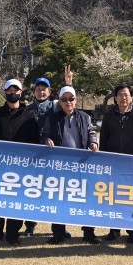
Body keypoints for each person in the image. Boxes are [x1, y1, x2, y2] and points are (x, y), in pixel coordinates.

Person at [0, 78, 41, 246]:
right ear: (5, 92)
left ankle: (13, 235)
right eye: (9, 90)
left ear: (21, 92)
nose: (12, 93)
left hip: (21, 167)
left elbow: (35, 141)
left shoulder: (30, 115)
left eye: (16, 90)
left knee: (16, 202)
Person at [40, 85, 100, 244]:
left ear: (76, 100)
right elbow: (44, 134)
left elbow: (91, 132)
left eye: (71, 99)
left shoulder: (85, 117)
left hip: (81, 165)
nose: (68, 102)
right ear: (59, 101)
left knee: (86, 199)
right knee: (58, 199)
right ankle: (58, 233)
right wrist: (47, 140)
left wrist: (93, 142)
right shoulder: (52, 118)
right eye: (64, 99)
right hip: (60, 166)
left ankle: (89, 233)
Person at [23, 65, 72, 237]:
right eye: (38, 89)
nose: (41, 92)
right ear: (34, 91)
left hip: (52, 155)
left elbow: (68, 100)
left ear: (50, 92)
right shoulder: (27, 109)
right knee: (31, 191)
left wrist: (68, 84)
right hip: (32, 156)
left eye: (44, 89)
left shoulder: (56, 106)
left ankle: (60, 228)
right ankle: (30, 225)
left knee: (56, 192)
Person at [98, 84, 133, 244]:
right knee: (113, 197)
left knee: (131, 197)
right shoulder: (108, 115)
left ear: (131, 97)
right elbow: (103, 138)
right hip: (113, 162)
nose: (123, 97)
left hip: (131, 163)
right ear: (115, 97)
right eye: (120, 94)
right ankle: (114, 230)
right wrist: (103, 159)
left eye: (126, 94)